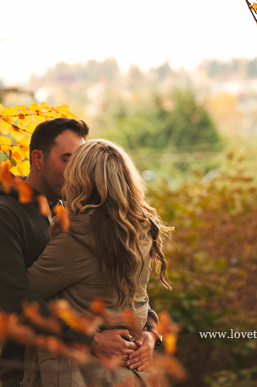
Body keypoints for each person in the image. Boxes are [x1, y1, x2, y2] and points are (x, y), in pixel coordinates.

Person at [0, 118, 160, 387]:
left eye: (79, 161)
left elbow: (123, 286)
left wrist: (151, 333)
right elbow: (14, 300)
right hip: (28, 370)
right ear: (37, 159)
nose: (75, 171)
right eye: (67, 160)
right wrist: (91, 339)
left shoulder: (80, 215)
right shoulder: (3, 215)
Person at [23, 139, 172, 386]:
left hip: (85, 375)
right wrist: (152, 335)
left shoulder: (75, 240)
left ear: (80, 180)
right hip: (135, 375)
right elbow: (135, 301)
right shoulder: (140, 232)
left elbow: (20, 298)